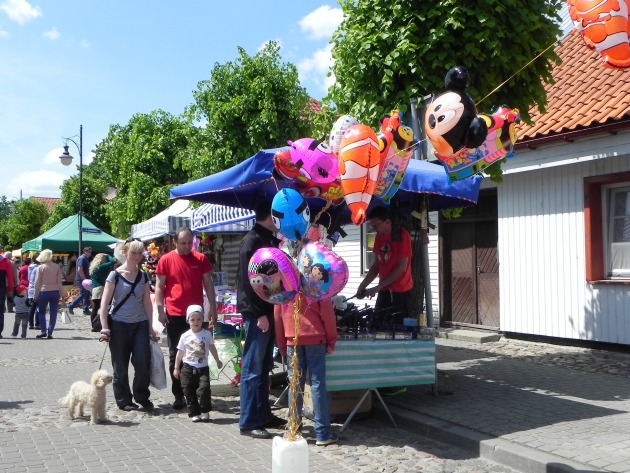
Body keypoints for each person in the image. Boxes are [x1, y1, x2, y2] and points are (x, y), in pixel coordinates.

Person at [236, 201, 285, 439]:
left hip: (268, 310)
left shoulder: (268, 239)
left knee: (264, 367)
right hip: (258, 313)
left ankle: (264, 414)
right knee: (253, 369)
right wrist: (259, 314)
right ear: (271, 217)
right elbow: (249, 283)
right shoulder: (252, 240)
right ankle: (248, 421)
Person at [155, 227, 217, 410]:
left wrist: (213, 308)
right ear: (175, 242)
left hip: (197, 315)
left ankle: (198, 393)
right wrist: (160, 310)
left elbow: (208, 284)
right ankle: (179, 394)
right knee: (177, 354)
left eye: (190, 243)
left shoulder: (200, 259)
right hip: (174, 313)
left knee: (199, 352)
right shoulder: (166, 260)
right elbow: (159, 286)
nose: (186, 246)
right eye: (183, 243)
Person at [98, 239, 156, 412]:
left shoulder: (143, 276)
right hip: (118, 325)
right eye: (133, 253)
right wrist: (105, 327)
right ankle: (124, 399)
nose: (137, 257)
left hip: (139, 324)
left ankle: (141, 395)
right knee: (120, 365)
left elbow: (147, 302)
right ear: (124, 253)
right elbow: (105, 303)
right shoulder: (114, 275)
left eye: (140, 253)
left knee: (142, 362)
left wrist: (151, 326)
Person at [274, 294, 338, 446]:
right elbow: (328, 314)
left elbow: (278, 315)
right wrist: (332, 339)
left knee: (294, 384)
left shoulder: (286, 287)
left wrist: (282, 344)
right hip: (316, 338)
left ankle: (293, 429)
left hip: (292, 340)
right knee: (318, 383)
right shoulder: (316, 287)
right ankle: (322, 432)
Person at [356, 206, 413, 318]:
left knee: (397, 331)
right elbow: (375, 267)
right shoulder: (379, 237)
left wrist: (377, 287)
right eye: (371, 226)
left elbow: (401, 268)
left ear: (387, 222)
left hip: (400, 292)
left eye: (375, 226)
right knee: (378, 326)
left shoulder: (402, 235)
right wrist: (362, 286)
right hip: (384, 289)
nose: (373, 229)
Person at [173, 304, 223, 422]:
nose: (196, 322)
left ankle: (205, 410)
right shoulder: (185, 336)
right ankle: (194, 413)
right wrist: (176, 367)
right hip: (187, 368)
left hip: (203, 368)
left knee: (204, 389)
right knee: (188, 391)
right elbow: (179, 352)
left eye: (199, 319)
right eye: (193, 320)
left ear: (203, 319)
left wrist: (217, 360)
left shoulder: (206, 334)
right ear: (188, 321)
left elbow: (212, 347)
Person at [34, 249, 64, 339]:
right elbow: (59, 282)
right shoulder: (57, 267)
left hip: (44, 291)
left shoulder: (41, 267)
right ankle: (50, 332)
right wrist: (62, 294)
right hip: (55, 291)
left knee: (42, 312)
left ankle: (43, 331)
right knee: (53, 312)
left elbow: (37, 282)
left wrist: (35, 294)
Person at [89, 253, 117, 332]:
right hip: (101, 289)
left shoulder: (94, 267)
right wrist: (108, 255)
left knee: (95, 308)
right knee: (103, 308)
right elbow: (112, 261)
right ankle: (99, 324)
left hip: (95, 290)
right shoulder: (101, 267)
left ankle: (93, 324)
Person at [67, 247, 93, 316]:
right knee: (84, 294)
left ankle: (85, 309)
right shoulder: (82, 258)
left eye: (90, 252)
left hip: (84, 279)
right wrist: (84, 279)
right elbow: (79, 269)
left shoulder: (85, 259)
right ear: (85, 251)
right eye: (89, 252)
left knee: (87, 294)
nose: (90, 253)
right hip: (82, 279)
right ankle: (71, 305)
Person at [0, 246, 15, 339]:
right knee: (0, 312)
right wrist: (9, 289)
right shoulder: (6, 262)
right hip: (1, 289)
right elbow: (10, 277)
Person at [27, 253, 40, 330]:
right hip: (37, 289)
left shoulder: (30, 266)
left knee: (32, 307)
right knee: (38, 307)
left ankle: (30, 323)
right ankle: (37, 324)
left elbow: (29, 278)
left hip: (31, 287)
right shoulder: (38, 268)